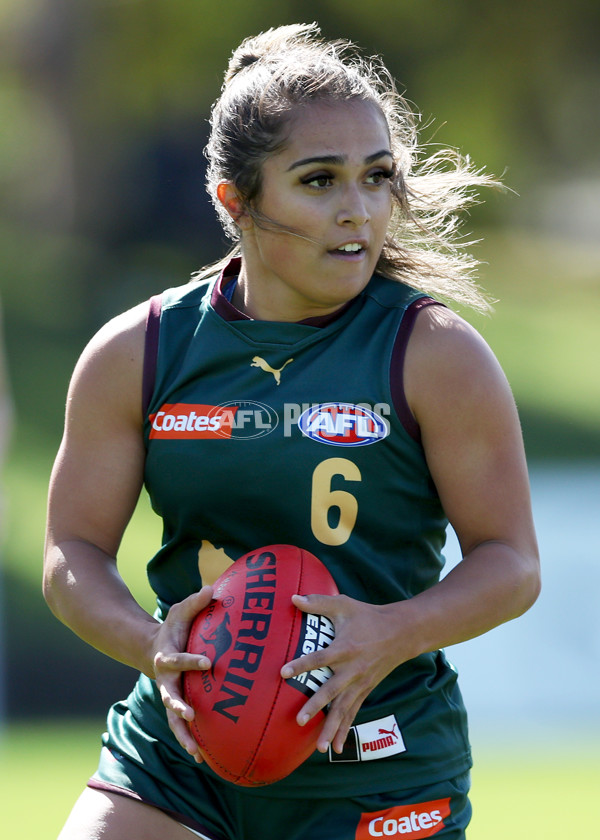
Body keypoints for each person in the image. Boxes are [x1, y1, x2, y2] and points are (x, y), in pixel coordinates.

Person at [43, 23, 540, 840]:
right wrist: (151, 646)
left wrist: (391, 631)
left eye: (378, 178)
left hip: (379, 758)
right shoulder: (139, 352)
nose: (358, 210)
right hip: (182, 750)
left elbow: (512, 564)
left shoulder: (435, 355)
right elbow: (71, 556)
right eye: (320, 181)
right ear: (234, 199)